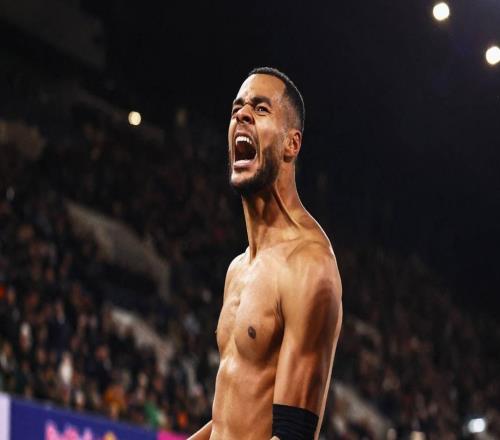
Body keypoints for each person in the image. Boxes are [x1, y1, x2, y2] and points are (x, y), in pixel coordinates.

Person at [189, 67, 342, 440]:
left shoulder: (309, 266)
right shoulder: (238, 268)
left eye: (260, 109)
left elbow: (292, 436)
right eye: (237, 108)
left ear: (292, 144)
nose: (241, 115)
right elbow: (229, 425)